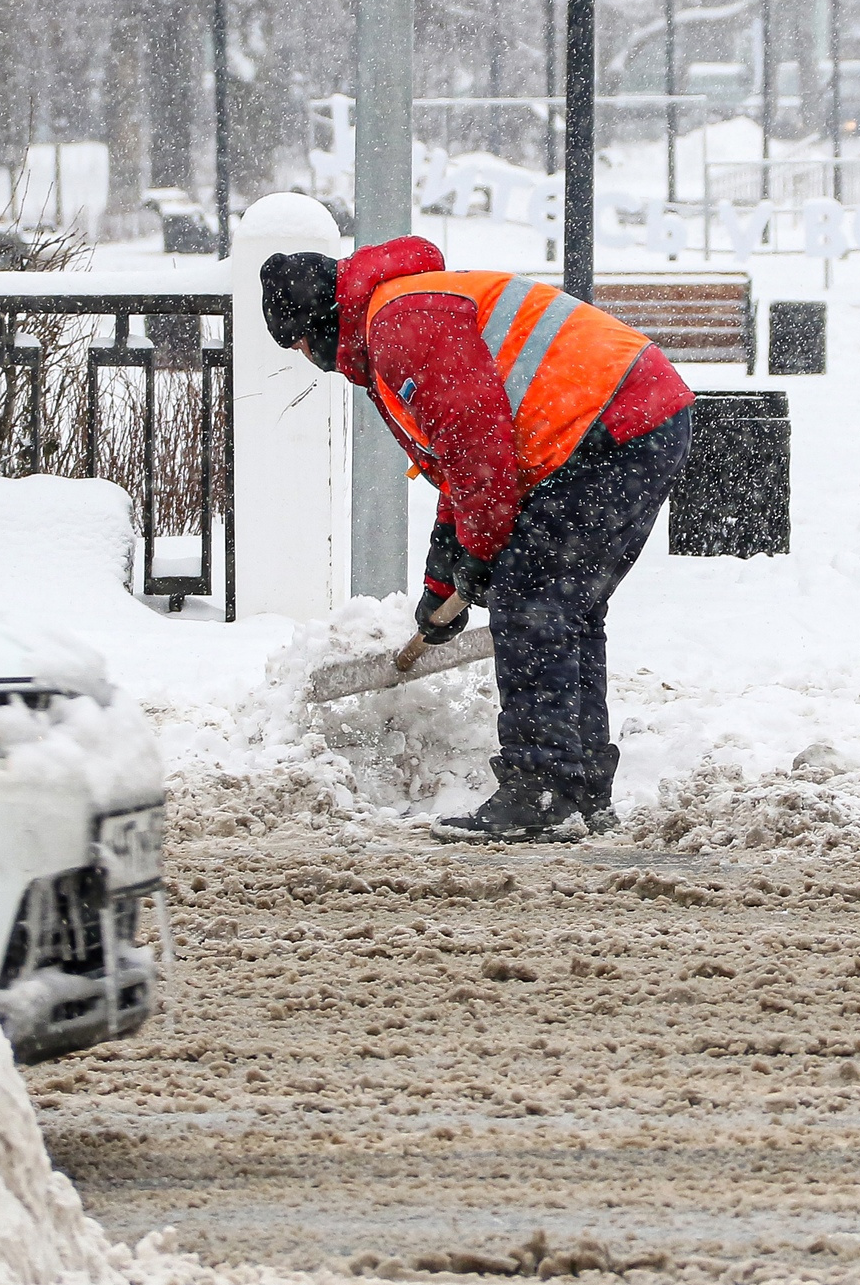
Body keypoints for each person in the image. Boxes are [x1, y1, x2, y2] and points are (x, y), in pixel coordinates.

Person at [260, 235, 693, 841]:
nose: (309, 356)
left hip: (609, 426)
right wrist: (444, 582)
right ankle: (577, 788)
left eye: (303, 341)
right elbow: (460, 470)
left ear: (326, 318)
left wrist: (483, 553)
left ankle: (542, 789)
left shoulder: (401, 325)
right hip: (630, 415)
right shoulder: (399, 314)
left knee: (532, 602)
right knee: (565, 607)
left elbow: (479, 454)